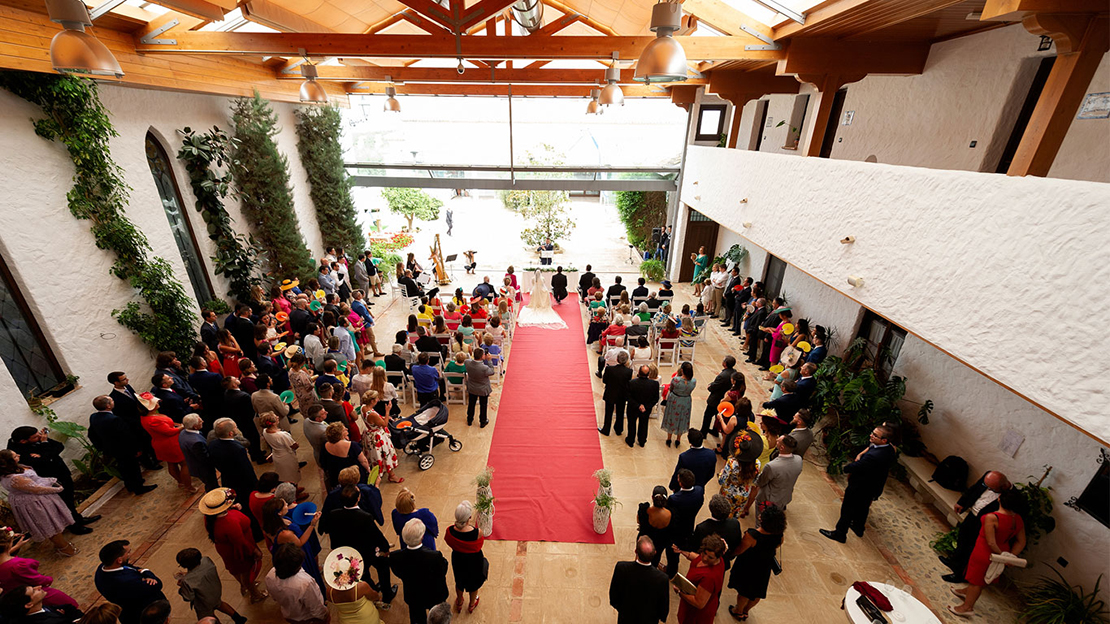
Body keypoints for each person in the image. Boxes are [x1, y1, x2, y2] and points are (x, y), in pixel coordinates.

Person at [949, 489, 1027, 617]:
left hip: (985, 553)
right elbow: (1021, 541)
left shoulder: (992, 517)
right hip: (1002, 551)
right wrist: (1010, 556)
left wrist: (1002, 557)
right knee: (980, 577)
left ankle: (967, 607)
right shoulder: (1017, 519)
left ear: (999, 499)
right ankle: (966, 591)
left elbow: (991, 542)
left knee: (977, 582)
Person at [6, 427, 98, 533]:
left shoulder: (38, 439)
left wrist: (44, 451)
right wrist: (45, 446)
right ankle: (74, 526)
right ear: (23, 441)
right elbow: (44, 462)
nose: (41, 436)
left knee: (69, 498)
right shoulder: (17, 452)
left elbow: (59, 446)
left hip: (61, 472)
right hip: (48, 479)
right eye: (36, 436)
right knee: (63, 502)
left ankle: (78, 518)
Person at [821, 424, 898, 543]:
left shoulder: (874, 456)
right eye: (872, 432)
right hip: (873, 485)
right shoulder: (890, 449)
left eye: (875, 435)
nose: (871, 436)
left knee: (847, 509)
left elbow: (857, 466)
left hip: (860, 486)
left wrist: (845, 468)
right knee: (863, 507)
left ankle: (840, 533)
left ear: (884, 440)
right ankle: (858, 527)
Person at [325, 486, 396, 607]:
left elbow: (334, 534)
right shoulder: (365, 517)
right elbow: (376, 536)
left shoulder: (333, 514)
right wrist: (385, 548)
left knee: (363, 574)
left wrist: (336, 548)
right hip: (368, 551)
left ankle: (372, 587)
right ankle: (387, 594)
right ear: (358, 498)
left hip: (350, 553)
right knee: (383, 566)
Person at [0, 450, 76, 556]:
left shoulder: (14, 469)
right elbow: (36, 489)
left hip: (37, 497)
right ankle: (64, 548)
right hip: (33, 503)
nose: (19, 455)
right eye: (14, 456)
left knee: (54, 523)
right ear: (9, 461)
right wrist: (57, 489)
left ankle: (61, 544)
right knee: (50, 526)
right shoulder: (13, 478)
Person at [941, 471, 1012, 584]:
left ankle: (960, 574)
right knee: (962, 538)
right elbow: (974, 489)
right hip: (972, 515)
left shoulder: (1010, 495)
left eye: (992, 488)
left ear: (1003, 486)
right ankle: (953, 561)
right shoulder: (988, 476)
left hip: (984, 522)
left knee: (970, 547)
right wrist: (962, 502)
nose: (988, 489)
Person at [199, 488, 266, 603]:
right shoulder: (229, 523)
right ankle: (254, 593)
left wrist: (232, 509)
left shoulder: (209, 518)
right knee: (246, 570)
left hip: (226, 549)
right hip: (238, 549)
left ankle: (243, 585)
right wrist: (254, 551)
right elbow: (241, 543)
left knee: (235, 570)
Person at [0, 531, 81, 617]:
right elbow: (37, 579)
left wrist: (16, 546)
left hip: (19, 600)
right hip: (36, 594)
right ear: (8, 544)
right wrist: (48, 579)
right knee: (71, 607)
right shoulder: (17, 565)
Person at [727, 504, 786, 620]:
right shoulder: (779, 535)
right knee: (757, 592)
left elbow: (740, 550)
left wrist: (731, 555)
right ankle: (745, 611)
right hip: (764, 566)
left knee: (744, 591)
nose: (759, 516)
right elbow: (778, 545)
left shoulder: (752, 535)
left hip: (749, 565)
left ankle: (738, 610)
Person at [88, 396, 156, 495]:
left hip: (111, 449)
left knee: (124, 468)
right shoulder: (114, 419)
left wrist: (102, 448)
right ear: (108, 406)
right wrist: (136, 449)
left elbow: (92, 434)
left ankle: (130, 485)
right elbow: (126, 436)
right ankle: (138, 488)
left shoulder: (93, 417)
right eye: (111, 400)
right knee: (133, 467)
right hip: (125, 449)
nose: (113, 401)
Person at [389, 519, 449, 624]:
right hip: (434, 593)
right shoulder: (434, 556)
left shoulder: (395, 556)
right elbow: (443, 570)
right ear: (422, 537)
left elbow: (397, 572)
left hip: (413, 594)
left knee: (417, 618)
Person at [95, 540, 166, 624]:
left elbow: (130, 567)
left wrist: (141, 573)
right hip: (143, 614)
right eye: (128, 553)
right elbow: (157, 584)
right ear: (119, 560)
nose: (130, 555)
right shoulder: (127, 582)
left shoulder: (103, 568)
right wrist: (146, 572)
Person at [137, 393, 194, 492]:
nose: (158, 402)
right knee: (184, 463)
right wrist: (182, 426)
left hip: (162, 442)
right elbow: (169, 432)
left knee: (172, 463)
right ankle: (188, 486)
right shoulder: (153, 420)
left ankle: (181, 481)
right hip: (170, 443)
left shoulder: (147, 417)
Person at [174, 548, 248, 624]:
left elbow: (189, 597)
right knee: (219, 604)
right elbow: (199, 573)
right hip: (215, 591)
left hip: (203, 601)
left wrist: (182, 587)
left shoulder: (187, 581)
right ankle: (238, 618)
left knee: (208, 616)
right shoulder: (206, 560)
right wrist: (188, 574)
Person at [609, 535, 669, 624]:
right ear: (655, 553)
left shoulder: (622, 567)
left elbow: (614, 595)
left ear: (635, 551)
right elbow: (663, 606)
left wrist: (621, 609)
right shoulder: (662, 578)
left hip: (626, 618)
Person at [107, 372, 160, 470]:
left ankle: (157, 458)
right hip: (133, 425)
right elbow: (121, 415)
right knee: (142, 445)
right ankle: (149, 464)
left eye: (126, 378)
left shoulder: (128, 387)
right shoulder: (114, 398)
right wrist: (136, 421)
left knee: (149, 440)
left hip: (142, 418)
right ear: (116, 383)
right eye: (123, 379)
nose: (127, 380)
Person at [443, 501, 487, 614]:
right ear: (469, 517)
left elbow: (447, 540)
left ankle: (459, 601)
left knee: (459, 581)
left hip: (458, 559)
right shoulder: (477, 533)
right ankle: (472, 604)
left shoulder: (450, 531)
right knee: (474, 584)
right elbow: (479, 546)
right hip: (474, 561)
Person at [744, 435, 802, 521]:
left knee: (761, 521)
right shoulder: (798, 459)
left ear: (782, 447)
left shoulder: (772, 466)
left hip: (768, 500)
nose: (777, 440)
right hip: (784, 497)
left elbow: (760, 482)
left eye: (778, 441)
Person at [266, 544, 328, 624]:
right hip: (307, 618)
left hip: (289, 615)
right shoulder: (304, 583)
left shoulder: (270, 575)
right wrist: (324, 617)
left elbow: (274, 597)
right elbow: (316, 608)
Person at [671, 534, 726, 624]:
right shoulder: (716, 560)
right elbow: (697, 558)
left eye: (710, 557)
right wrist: (681, 552)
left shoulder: (709, 578)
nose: (704, 558)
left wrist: (680, 592)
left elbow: (699, 603)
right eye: (704, 553)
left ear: (718, 557)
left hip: (697, 614)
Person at [323, 546, 383, 624]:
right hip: (366, 618)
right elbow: (375, 597)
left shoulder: (329, 591)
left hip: (345, 621)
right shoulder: (361, 586)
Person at [208, 418, 259, 508]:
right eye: (235, 428)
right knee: (246, 502)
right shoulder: (238, 449)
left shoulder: (213, 444)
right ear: (230, 433)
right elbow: (247, 469)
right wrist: (255, 484)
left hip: (227, 478)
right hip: (242, 481)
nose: (237, 429)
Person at [665, 469, 705, 578]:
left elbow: (669, 513)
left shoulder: (674, 499)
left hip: (676, 529)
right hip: (689, 524)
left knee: (672, 551)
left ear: (680, 483)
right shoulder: (699, 491)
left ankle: (671, 571)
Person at [717, 430, 761, 518]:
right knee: (735, 516)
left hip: (728, 494)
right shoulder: (757, 463)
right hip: (743, 495)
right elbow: (755, 482)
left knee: (722, 514)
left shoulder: (732, 462)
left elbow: (721, 481)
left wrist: (722, 472)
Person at [321, 422, 370, 491]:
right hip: (353, 475)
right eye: (344, 430)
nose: (347, 429)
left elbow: (323, 463)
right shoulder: (352, 445)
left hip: (336, 477)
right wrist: (368, 469)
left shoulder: (325, 446)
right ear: (340, 434)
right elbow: (363, 461)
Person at [178, 414, 218, 491]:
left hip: (194, 464)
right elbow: (205, 458)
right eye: (200, 421)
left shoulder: (183, 432)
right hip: (203, 469)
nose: (202, 421)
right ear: (195, 427)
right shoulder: (196, 442)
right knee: (212, 486)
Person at [635, 487, 672, 569]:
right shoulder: (670, 513)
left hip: (645, 538)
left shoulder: (644, 510)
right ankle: (653, 568)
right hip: (661, 541)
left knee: (641, 553)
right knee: (657, 555)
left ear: (652, 497)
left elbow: (638, 521)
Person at [0, 584, 76, 624]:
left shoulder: (34, 609)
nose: (39, 587)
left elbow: (68, 607)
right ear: (29, 604)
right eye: (33, 590)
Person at [700, 356, 737, 437]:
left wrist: (710, 386)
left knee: (708, 416)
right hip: (725, 399)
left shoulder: (723, 376)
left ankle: (703, 433)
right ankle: (715, 430)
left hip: (716, 399)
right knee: (719, 415)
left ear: (725, 364)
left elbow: (715, 386)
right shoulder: (734, 372)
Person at [661, 362, 696, 447]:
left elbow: (671, 388)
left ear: (682, 370)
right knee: (682, 418)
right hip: (686, 401)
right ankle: (678, 439)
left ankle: (669, 438)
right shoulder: (693, 381)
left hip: (675, 399)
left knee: (671, 417)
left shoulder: (676, 380)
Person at [598, 351, 632, 437]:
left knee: (608, 412)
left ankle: (606, 429)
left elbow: (604, 380)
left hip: (610, 392)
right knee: (620, 412)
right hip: (622, 394)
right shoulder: (629, 371)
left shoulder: (609, 369)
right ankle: (618, 429)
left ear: (617, 359)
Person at [260, 412, 301, 484]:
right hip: (287, 457)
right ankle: (295, 491)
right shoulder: (281, 435)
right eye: (276, 417)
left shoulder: (265, 431)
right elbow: (294, 446)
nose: (278, 417)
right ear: (273, 423)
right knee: (292, 474)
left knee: (284, 474)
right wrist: (297, 444)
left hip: (277, 455)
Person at [626, 365, 660, 448]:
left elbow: (628, 397)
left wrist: (638, 405)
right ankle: (642, 441)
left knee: (632, 424)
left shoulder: (632, 383)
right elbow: (656, 398)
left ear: (638, 373)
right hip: (646, 408)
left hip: (633, 407)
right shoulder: (654, 384)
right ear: (648, 374)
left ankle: (631, 440)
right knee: (644, 424)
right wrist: (646, 406)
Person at [464, 348, 496, 427]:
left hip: (472, 388)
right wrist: (489, 360)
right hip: (483, 389)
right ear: (482, 356)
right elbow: (492, 371)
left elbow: (469, 360)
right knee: (483, 405)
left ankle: (469, 420)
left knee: (471, 404)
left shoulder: (467, 363)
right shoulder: (484, 368)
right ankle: (482, 421)